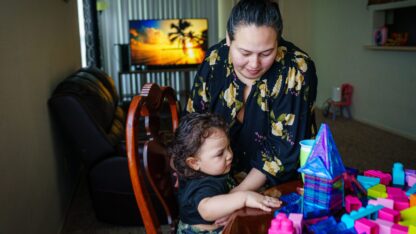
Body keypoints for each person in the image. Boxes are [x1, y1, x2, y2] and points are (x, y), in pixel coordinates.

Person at [185, 0, 318, 190]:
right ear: (228, 39)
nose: (254, 64)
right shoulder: (215, 60)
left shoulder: (296, 69)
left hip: (275, 183)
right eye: (244, 52)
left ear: (277, 42)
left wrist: (237, 196)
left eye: (266, 53)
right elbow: (193, 121)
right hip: (214, 174)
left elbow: (283, 151)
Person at [169, 112, 281, 233]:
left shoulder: (205, 169)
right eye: (220, 153)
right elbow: (206, 210)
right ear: (194, 163)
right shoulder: (204, 184)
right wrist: (244, 198)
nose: (229, 155)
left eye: (228, 147)